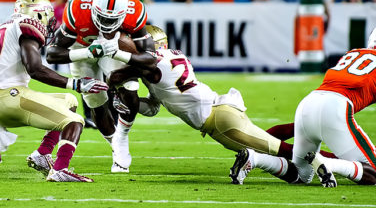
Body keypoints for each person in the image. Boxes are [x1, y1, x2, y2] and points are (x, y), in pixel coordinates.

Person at [108, 25, 317, 166]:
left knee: (280, 151)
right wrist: (131, 102)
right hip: (221, 111)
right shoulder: (170, 59)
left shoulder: (152, 66)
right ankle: (311, 129)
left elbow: (118, 75)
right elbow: (153, 108)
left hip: (218, 120)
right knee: (267, 142)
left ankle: (337, 163)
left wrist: (114, 82)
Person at [0, 0, 108, 182]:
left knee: (69, 101)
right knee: (75, 121)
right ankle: (60, 169)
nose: (49, 23)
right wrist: (76, 83)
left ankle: (42, 154)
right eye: (47, 16)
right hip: (11, 97)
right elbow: (35, 69)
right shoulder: (27, 25)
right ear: (38, 14)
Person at [230, 29, 376, 187]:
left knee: (302, 174)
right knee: (373, 171)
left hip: (308, 103)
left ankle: (255, 159)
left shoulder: (354, 53)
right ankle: (327, 163)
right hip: (336, 107)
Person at [47, 0, 155, 173]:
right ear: (94, 7)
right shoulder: (78, 9)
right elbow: (52, 53)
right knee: (95, 101)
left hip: (114, 48)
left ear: (124, 12)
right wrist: (87, 52)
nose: (106, 23)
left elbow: (150, 58)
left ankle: (121, 139)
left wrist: (119, 52)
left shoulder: (135, 11)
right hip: (83, 50)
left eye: (113, 19)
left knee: (131, 87)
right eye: (102, 17)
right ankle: (114, 145)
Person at [66, 0, 128, 129]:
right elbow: (71, 5)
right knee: (88, 73)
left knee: (112, 74)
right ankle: (91, 115)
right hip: (87, 34)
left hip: (110, 33)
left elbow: (128, 4)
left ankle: (114, 114)